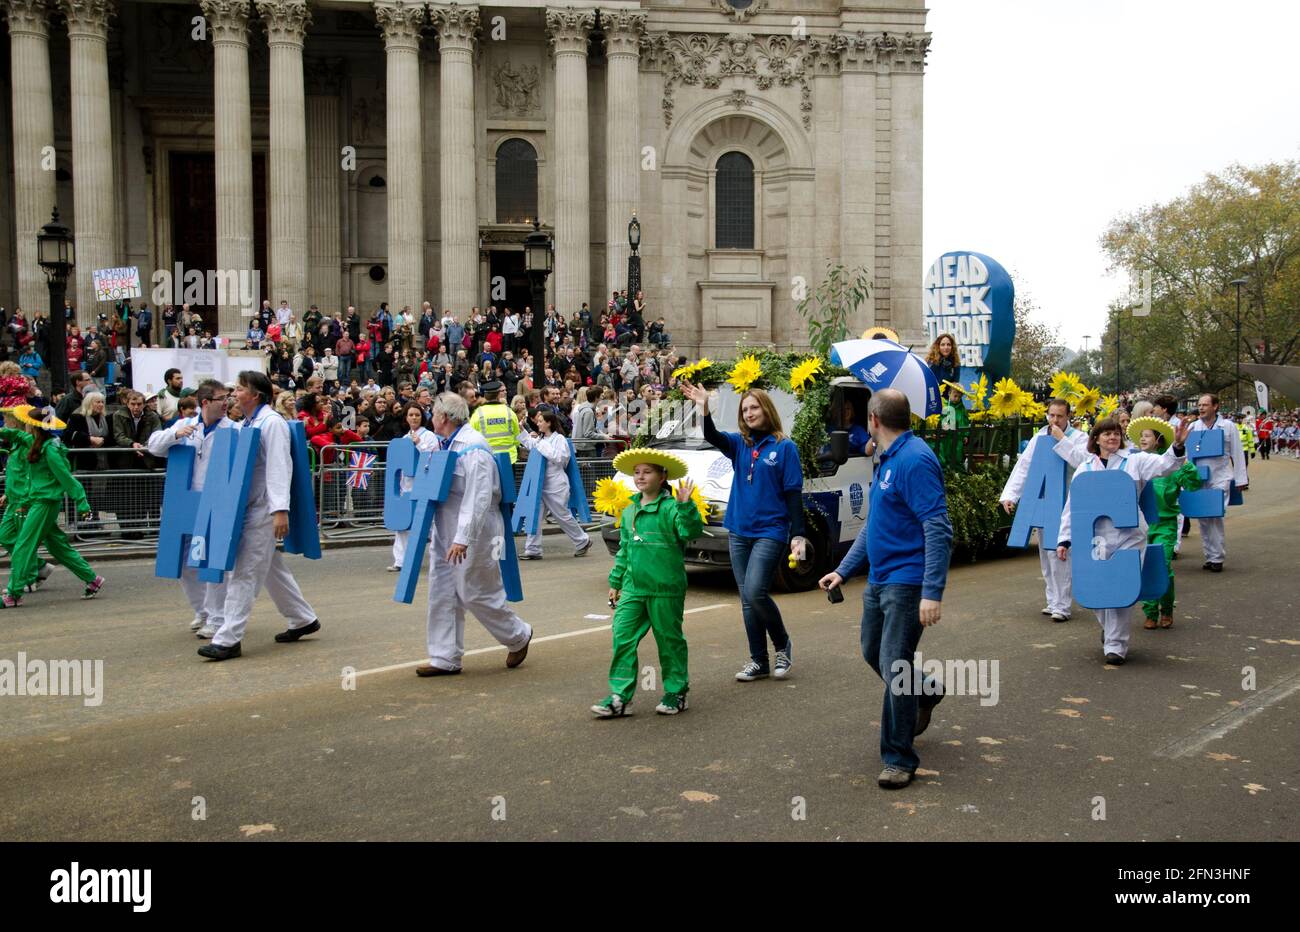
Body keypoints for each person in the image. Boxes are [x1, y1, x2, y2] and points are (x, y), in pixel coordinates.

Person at [816, 389, 952, 789]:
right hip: (878, 581)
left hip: (907, 583)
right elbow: (875, 524)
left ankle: (899, 756)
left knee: (895, 663)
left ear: (873, 419)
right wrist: (843, 570)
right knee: (872, 652)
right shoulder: (886, 458)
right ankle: (924, 690)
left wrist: (932, 591)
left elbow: (938, 529)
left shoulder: (916, 460)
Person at [680, 380, 806, 681]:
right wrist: (704, 409)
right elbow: (711, 435)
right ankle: (758, 660)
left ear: (766, 409)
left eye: (754, 407)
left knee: (755, 591)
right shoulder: (740, 443)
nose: (749, 413)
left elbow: (793, 495)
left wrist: (798, 537)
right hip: (738, 529)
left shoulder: (784, 447)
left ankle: (782, 645)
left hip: (771, 530)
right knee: (747, 599)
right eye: (745, 409)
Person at [198, 370, 321, 661]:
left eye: (240, 389)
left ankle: (228, 638)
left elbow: (280, 467)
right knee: (270, 568)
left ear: (255, 395)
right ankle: (303, 618)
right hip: (247, 507)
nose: (234, 394)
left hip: (264, 509)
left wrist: (280, 510)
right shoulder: (246, 423)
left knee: (245, 571)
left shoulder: (272, 424)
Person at [1055, 415, 1192, 666]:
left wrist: (1179, 447)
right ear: (1095, 439)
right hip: (1096, 538)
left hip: (1130, 537)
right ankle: (1109, 630)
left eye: (1116, 433)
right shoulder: (1085, 470)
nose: (1112, 437)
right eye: (1106, 433)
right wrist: (1064, 539)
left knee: (1120, 588)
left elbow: (1166, 465)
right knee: (1097, 589)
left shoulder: (1135, 461)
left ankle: (1116, 646)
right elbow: (1072, 507)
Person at [415, 392, 534, 677]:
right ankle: (444, 657)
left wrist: (463, 537)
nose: (430, 417)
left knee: (475, 592)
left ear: (444, 417)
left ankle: (518, 635)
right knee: (442, 592)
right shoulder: (442, 444)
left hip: (478, 532)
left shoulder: (474, 447)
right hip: (445, 529)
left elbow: (478, 497)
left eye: (434, 412)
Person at [592, 449, 703, 717]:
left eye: (647, 471)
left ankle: (676, 692)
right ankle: (620, 696)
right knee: (622, 636)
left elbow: (691, 532)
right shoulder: (630, 511)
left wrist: (686, 507)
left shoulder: (671, 508)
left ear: (662, 476)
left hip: (666, 589)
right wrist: (616, 580)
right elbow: (624, 550)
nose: (640, 477)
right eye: (637, 472)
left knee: (669, 640)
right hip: (633, 588)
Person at [147, 380, 236, 637]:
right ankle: (203, 610)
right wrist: (175, 435)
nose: (227, 403)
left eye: (228, 397)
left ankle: (218, 617)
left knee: (213, 561)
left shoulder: (233, 429)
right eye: (222, 398)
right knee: (185, 561)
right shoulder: (185, 425)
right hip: (185, 503)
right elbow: (153, 445)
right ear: (206, 402)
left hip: (216, 503)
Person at [1, 406, 106, 607]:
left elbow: (66, 478)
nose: (25, 427)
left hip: (45, 502)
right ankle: (92, 579)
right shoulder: (34, 442)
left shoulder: (49, 449)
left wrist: (82, 503)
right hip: (39, 501)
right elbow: (12, 433)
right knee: (57, 546)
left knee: (24, 545)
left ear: (35, 426)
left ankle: (13, 594)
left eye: (28, 424)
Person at [999, 397, 1088, 622]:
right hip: (1043, 502)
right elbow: (1024, 467)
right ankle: (1052, 600)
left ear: (1069, 416)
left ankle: (1063, 605)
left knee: (1060, 553)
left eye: (1060, 416)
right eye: (1052, 415)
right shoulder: (1039, 437)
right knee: (1046, 554)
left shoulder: (1079, 438)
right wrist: (1010, 495)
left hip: (1068, 504)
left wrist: (1061, 441)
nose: (1055, 420)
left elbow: (1082, 461)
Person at [1130, 417, 1201, 631]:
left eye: (1147, 435)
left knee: (1163, 566)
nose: (1143, 439)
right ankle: (1150, 612)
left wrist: (1186, 464)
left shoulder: (1170, 464)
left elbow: (1194, 484)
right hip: (1141, 524)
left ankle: (1167, 609)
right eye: (1141, 436)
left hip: (1165, 524)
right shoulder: (1134, 462)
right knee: (1144, 567)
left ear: (1158, 440)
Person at [516, 408, 592, 560]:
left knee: (562, 515)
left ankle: (582, 540)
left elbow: (560, 459)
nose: (538, 424)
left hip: (556, 484)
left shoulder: (559, 439)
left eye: (540, 421)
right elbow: (530, 444)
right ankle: (533, 549)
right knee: (535, 516)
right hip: (540, 485)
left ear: (549, 423)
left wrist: (541, 445)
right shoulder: (541, 440)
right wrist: (522, 429)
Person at [1187, 394, 1248, 572]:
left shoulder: (1228, 426)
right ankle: (1210, 556)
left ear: (1215, 406)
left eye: (1205, 404)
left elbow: (1237, 453)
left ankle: (1217, 558)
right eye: (1199, 405)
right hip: (1198, 477)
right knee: (1203, 518)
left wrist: (1241, 479)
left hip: (1220, 477)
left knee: (1215, 516)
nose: (1201, 408)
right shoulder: (1193, 427)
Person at [0, 407, 54, 591]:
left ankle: (30, 578)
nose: (5, 423)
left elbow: (28, 475)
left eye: (7, 420)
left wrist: (24, 501)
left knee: (25, 541)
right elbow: (15, 473)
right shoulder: (16, 444)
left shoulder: (27, 445)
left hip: (23, 501)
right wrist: (7, 493)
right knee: (5, 536)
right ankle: (39, 566)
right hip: (13, 499)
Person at [388, 402, 439, 573]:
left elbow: (432, 458)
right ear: (406, 417)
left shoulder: (429, 436)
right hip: (407, 488)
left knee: (430, 525)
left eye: (417, 415)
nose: (414, 418)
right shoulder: (403, 439)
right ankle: (400, 561)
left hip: (423, 486)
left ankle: (440, 558)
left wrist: (419, 444)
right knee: (402, 525)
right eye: (411, 415)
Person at [468, 380, 520, 464]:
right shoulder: (509, 412)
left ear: (485, 396)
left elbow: (471, 437)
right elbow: (517, 437)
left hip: (486, 459)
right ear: (498, 395)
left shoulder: (477, 414)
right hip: (509, 459)